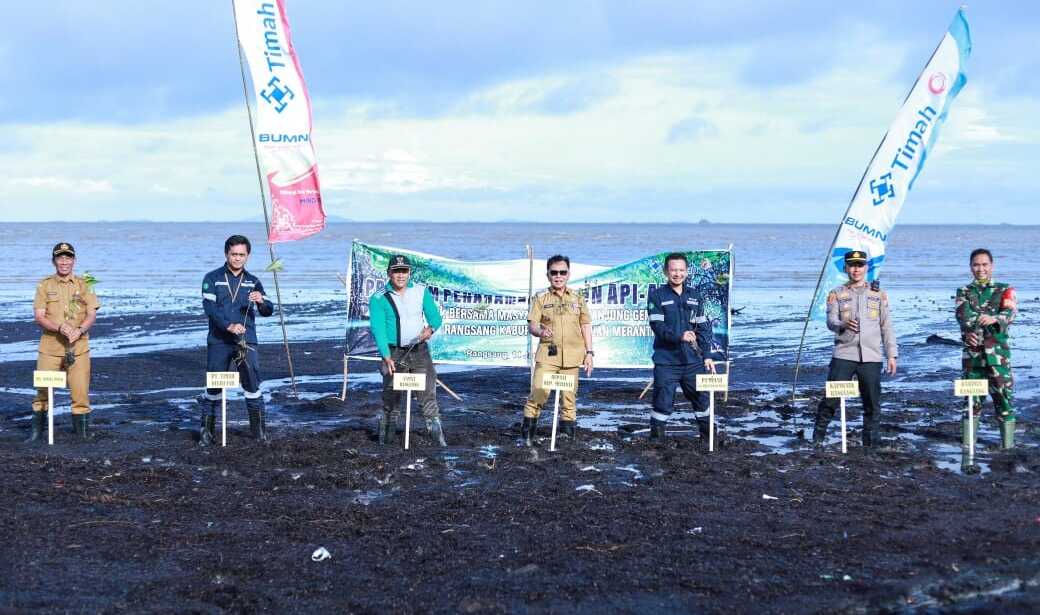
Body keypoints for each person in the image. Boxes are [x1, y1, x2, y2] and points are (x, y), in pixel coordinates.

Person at [812, 250, 898, 448]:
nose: (856, 269)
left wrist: (892, 355)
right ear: (845, 268)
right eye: (852, 265)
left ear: (866, 268)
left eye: (860, 265)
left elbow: (887, 327)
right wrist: (842, 323)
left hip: (871, 357)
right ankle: (818, 438)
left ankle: (871, 443)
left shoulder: (878, 295)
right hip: (844, 354)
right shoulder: (836, 294)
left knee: (872, 403)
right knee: (831, 399)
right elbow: (830, 321)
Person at [200, 235, 274, 445]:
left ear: (248, 256)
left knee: (252, 384)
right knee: (214, 386)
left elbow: (269, 310)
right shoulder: (211, 278)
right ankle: (206, 433)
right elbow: (210, 309)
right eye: (234, 254)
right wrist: (228, 326)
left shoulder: (254, 281)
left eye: (242, 255)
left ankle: (259, 433)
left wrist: (261, 301)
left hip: (246, 341)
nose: (238, 258)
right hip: (219, 340)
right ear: (226, 254)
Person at [369, 254, 447, 447]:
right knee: (391, 401)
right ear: (389, 273)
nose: (400, 275)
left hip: (420, 352)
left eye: (404, 271)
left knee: (428, 397)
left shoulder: (421, 292)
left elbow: (435, 318)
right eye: (396, 271)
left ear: (409, 273)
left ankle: (439, 442)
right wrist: (386, 357)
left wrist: (430, 329)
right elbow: (377, 328)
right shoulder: (379, 298)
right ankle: (385, 442)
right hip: (394, 355)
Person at [28, 242, 100, 441]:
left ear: (74, 260)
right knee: (42, 393)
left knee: (80, 395)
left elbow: (91, 314)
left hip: (79, 348)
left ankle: (82, 435)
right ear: (54, 261)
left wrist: (80, 330)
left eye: (68, 257)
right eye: (60, 257)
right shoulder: (44, 285)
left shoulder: (86, 283)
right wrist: (59, 327)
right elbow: (39, 316)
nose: (64, 261)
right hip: (50, 348)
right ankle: (36, 434)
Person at [521, 255, 594, 446]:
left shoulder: (578, 298)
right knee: (539, 392)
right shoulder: (540, 298)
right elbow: (532, 325)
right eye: (554, 272)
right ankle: (527, 437)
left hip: (572, 358)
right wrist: (540, 331)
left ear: (568, 274)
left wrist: (589, 353)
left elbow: (585, 325)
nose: (558, 276)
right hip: (548, 356)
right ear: (548, 275)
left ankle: (567, 438)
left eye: (562, 272)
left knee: (568, 399)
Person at [647, 252, 718, 443]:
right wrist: (680, 336)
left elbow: (703, 328)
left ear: (686, 272)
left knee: (702, 400)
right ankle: (656, 441)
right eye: (673, 270)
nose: (677, 274)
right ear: (666, 272)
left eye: (681, 270)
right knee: (662, 403)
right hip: (666, 362)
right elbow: (658, 328)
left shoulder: (695, 295)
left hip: (693, 362)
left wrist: (707, 356)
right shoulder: (656, 296)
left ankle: (709, 438)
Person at [955, 248, 1017, 450]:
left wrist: (995, 318)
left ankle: (1007, 447)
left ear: (992, 266)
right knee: (971, 404)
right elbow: (963, 315)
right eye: (976, 264)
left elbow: (1009, 314)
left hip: (999, 359)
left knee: (1004, 402)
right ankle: (968, 447)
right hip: (973, 358)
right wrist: (970, 329)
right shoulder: (964, 291)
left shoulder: (1005, 289)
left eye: (984, 264)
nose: (980, 269)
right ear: (971, 267)